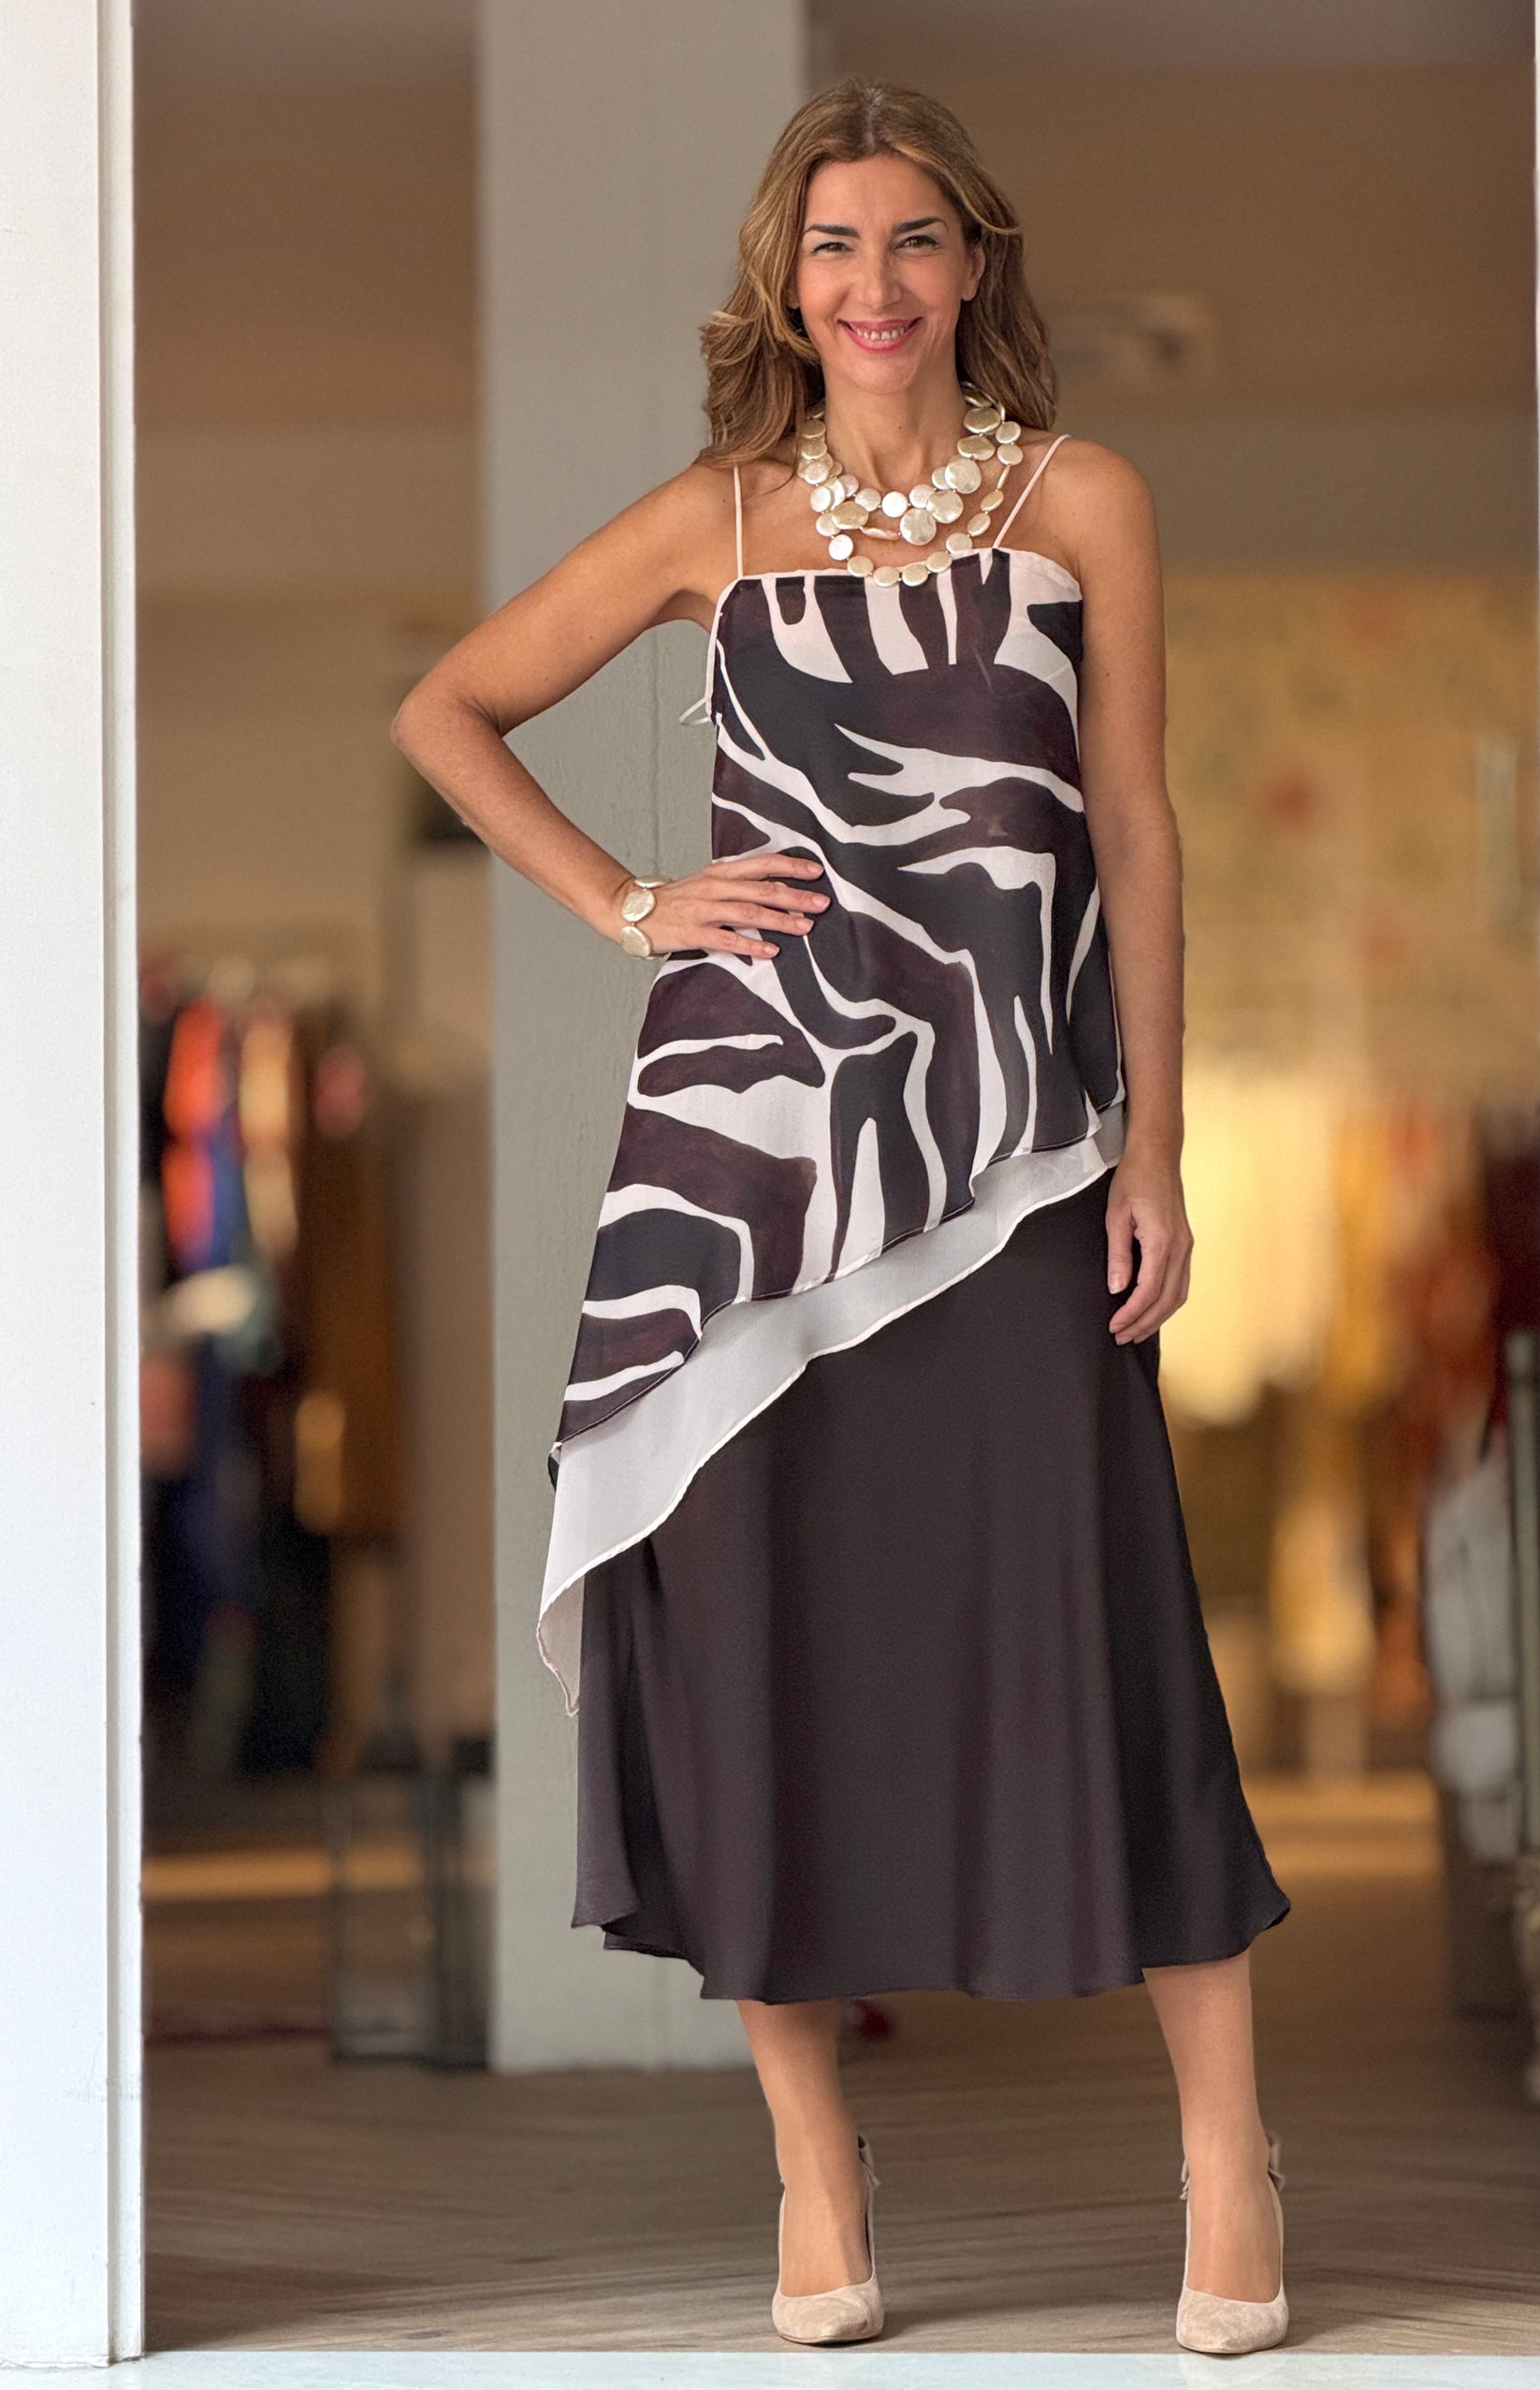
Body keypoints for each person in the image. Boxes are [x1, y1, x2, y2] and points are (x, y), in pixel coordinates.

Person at [392, 77, 1290, 2359]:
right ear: (782, 286)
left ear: (971, 262)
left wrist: (1154, 1141)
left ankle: (1226, 2151)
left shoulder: (1085, 499)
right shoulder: (716, 519)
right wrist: (633, 900)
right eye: (830, 246)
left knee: (1105, 1625)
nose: (870, 283)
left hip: (1015, 1155)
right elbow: (450, 708)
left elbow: (1134, 829)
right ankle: (812, 2164)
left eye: (907, 240)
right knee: (754, 1645)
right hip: (737, 1173)